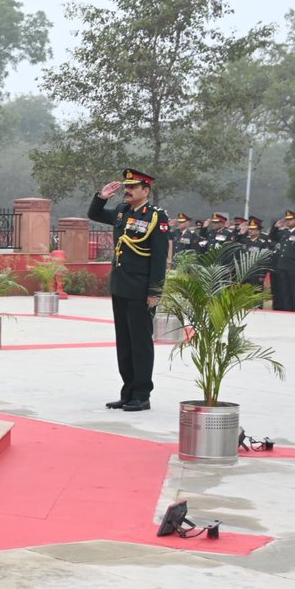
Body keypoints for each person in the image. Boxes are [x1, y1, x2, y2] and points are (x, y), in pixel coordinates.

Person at [88, 169, 170, 412]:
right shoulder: (122, 212)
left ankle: (142, 394)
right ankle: (128, 392)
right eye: (126, 186)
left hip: (141, 288)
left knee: (140, 342)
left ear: (145, 191)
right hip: (121, 286)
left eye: (132, 187)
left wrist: (155, 291)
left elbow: (159, 257)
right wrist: (102, 196)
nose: (127, 190)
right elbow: (94, 213)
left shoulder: (156, 217)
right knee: (124, 342)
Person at [239, 218, 271, 289]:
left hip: (256, 273)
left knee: (256, 294)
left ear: (258, 231)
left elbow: (265, 260)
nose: (250, 231)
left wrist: (262, 275)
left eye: (253, 229)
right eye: (250, 229)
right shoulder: (244, 241)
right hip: (244, 272)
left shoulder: (262, 243)